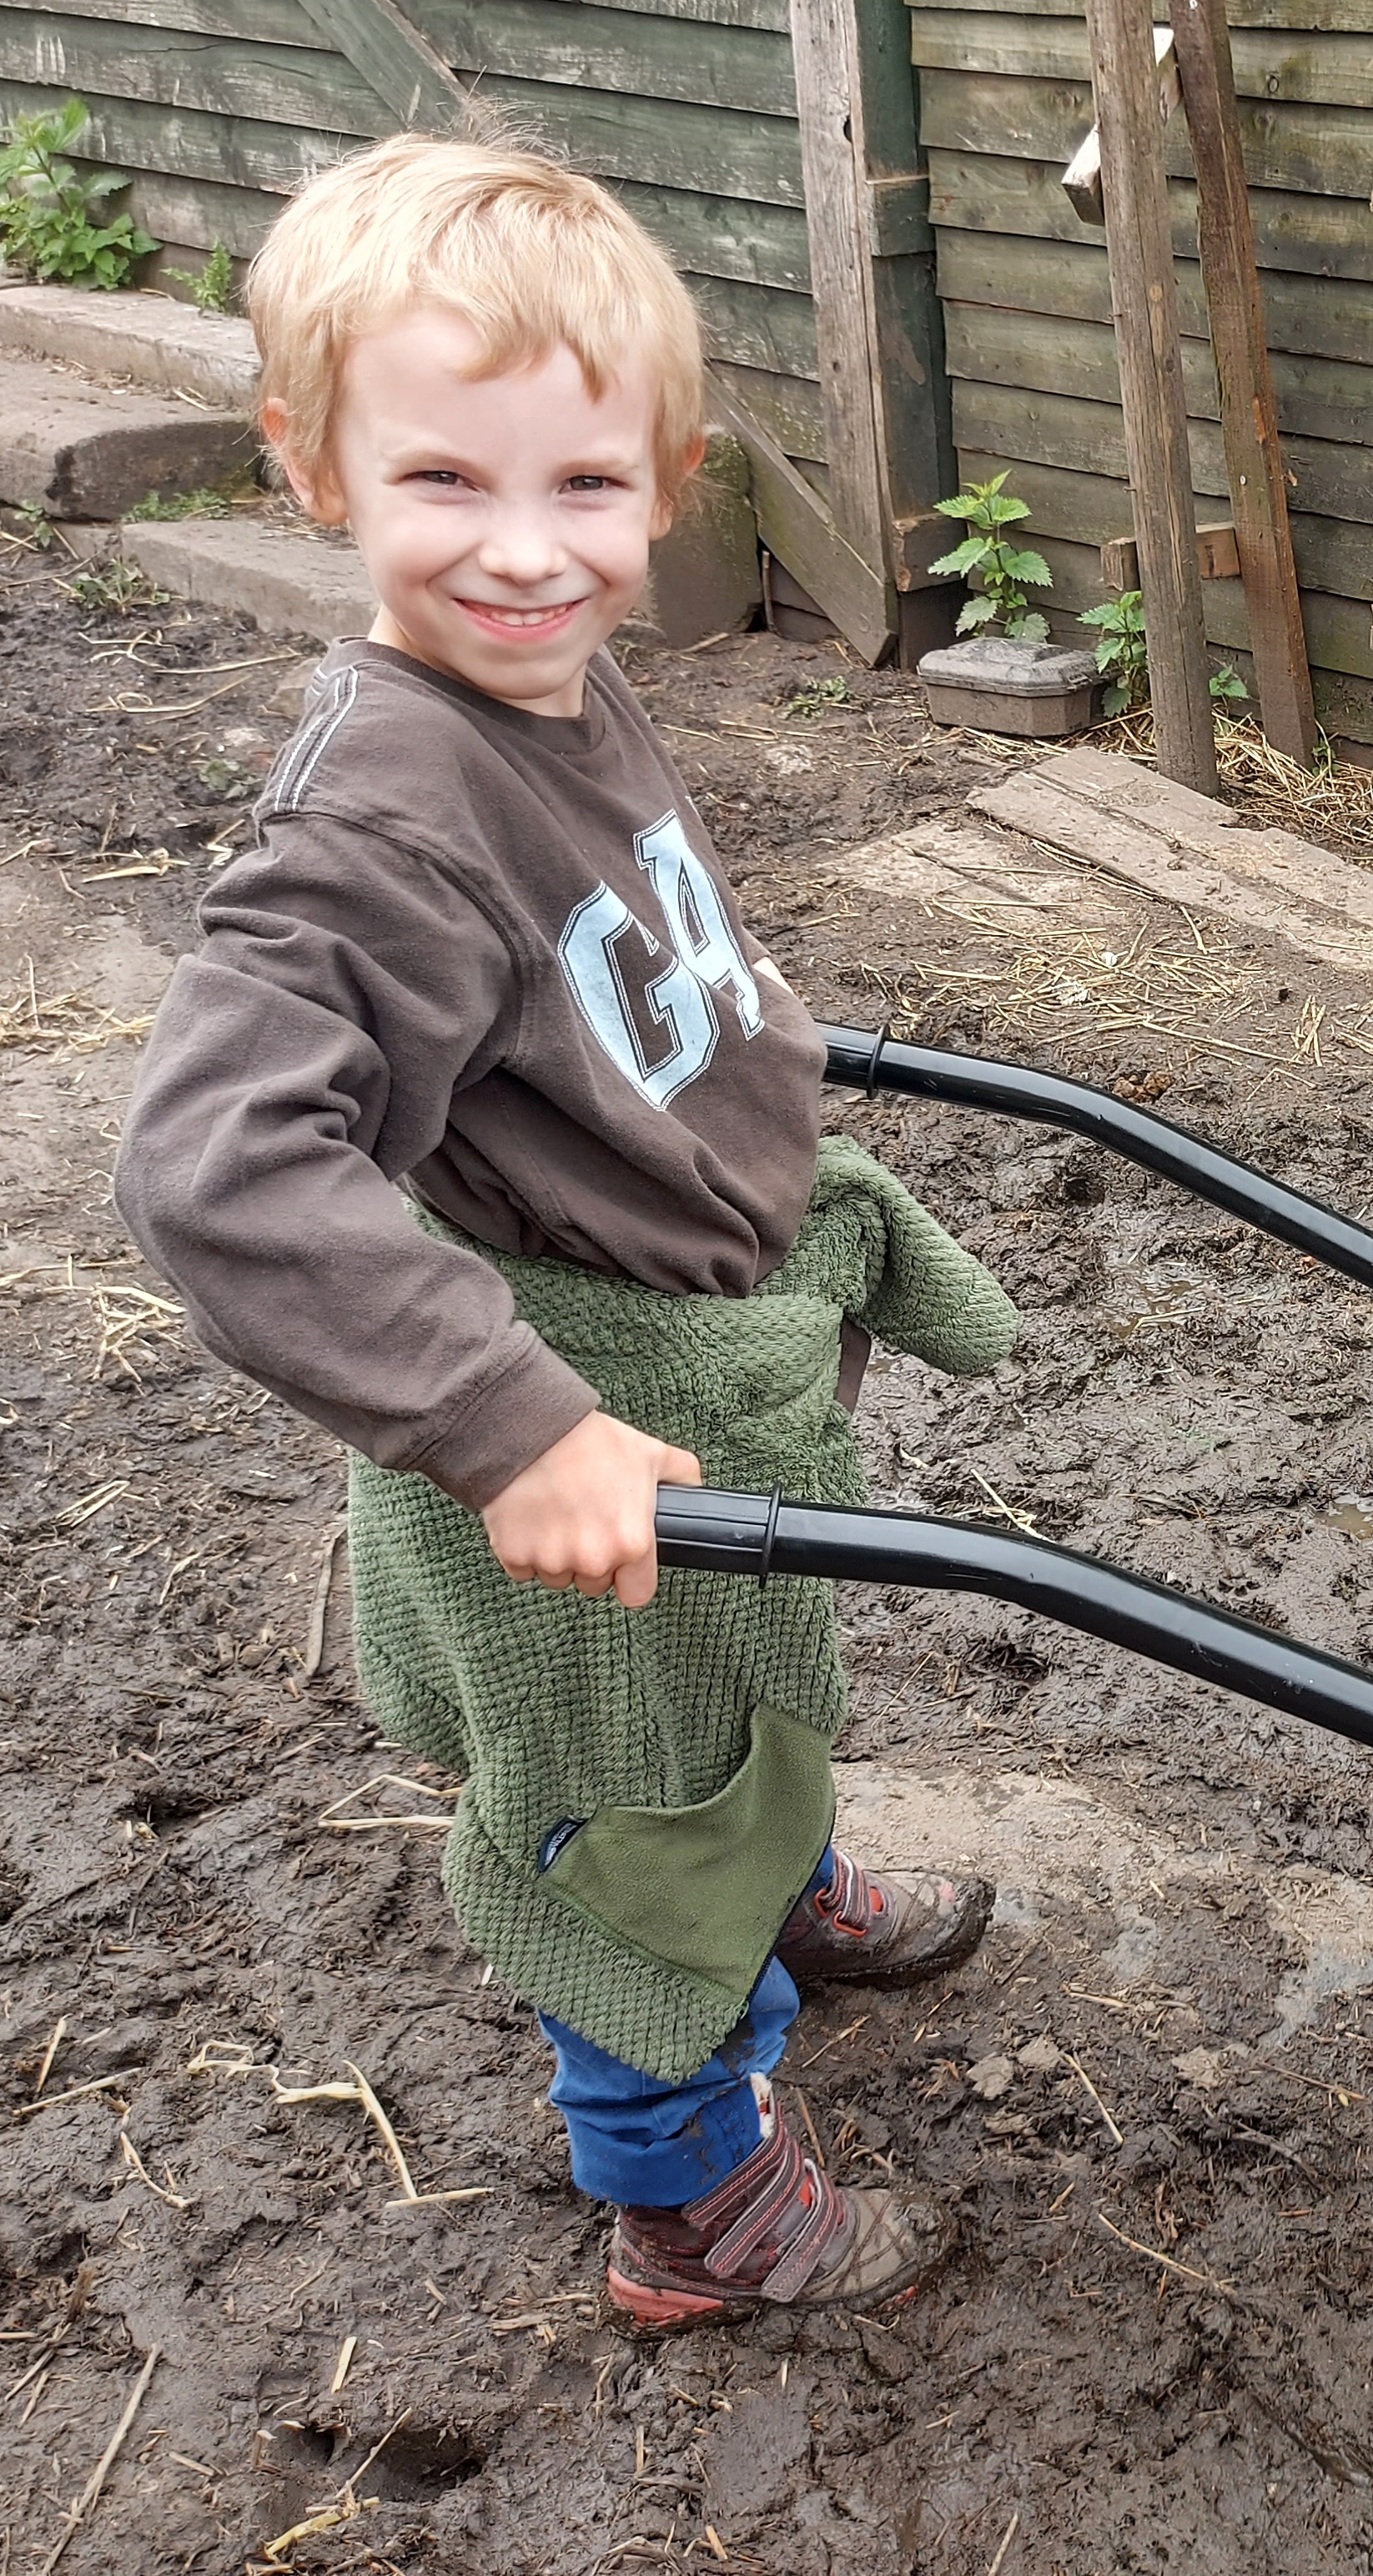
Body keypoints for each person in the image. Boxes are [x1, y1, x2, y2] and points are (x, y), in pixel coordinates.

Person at [115, 136, 1020, 2331]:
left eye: (585, 492)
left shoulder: (545, 681)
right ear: (310, 465)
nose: (525, 555)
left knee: (738, 1727)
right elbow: (216, 1161)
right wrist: (515, 1428)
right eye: (444, 484)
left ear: (667, 477)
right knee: (628, 1834)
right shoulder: (376, 819)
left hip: (700, 1347)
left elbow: (606, 958)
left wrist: (769, 1052)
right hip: (583, 1449)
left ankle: (782, 1885)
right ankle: (691, 2208)